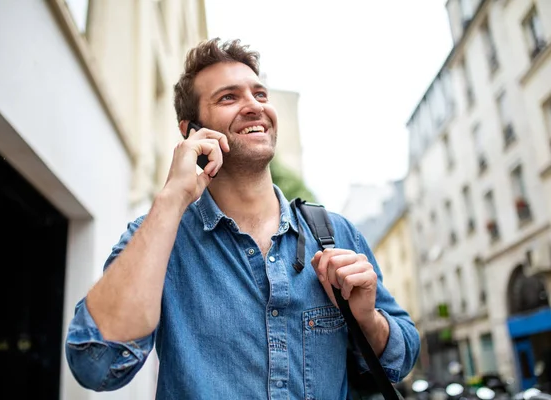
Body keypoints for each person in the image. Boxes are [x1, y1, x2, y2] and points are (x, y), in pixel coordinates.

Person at [65, 37, 420, 399]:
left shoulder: (335, 233)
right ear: (191, 132)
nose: (254, 106)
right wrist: (172, 196)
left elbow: (403, 357)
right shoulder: (159, 235)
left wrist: (368, 320)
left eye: (260, 94)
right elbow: (95, 365)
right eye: (228, 97)